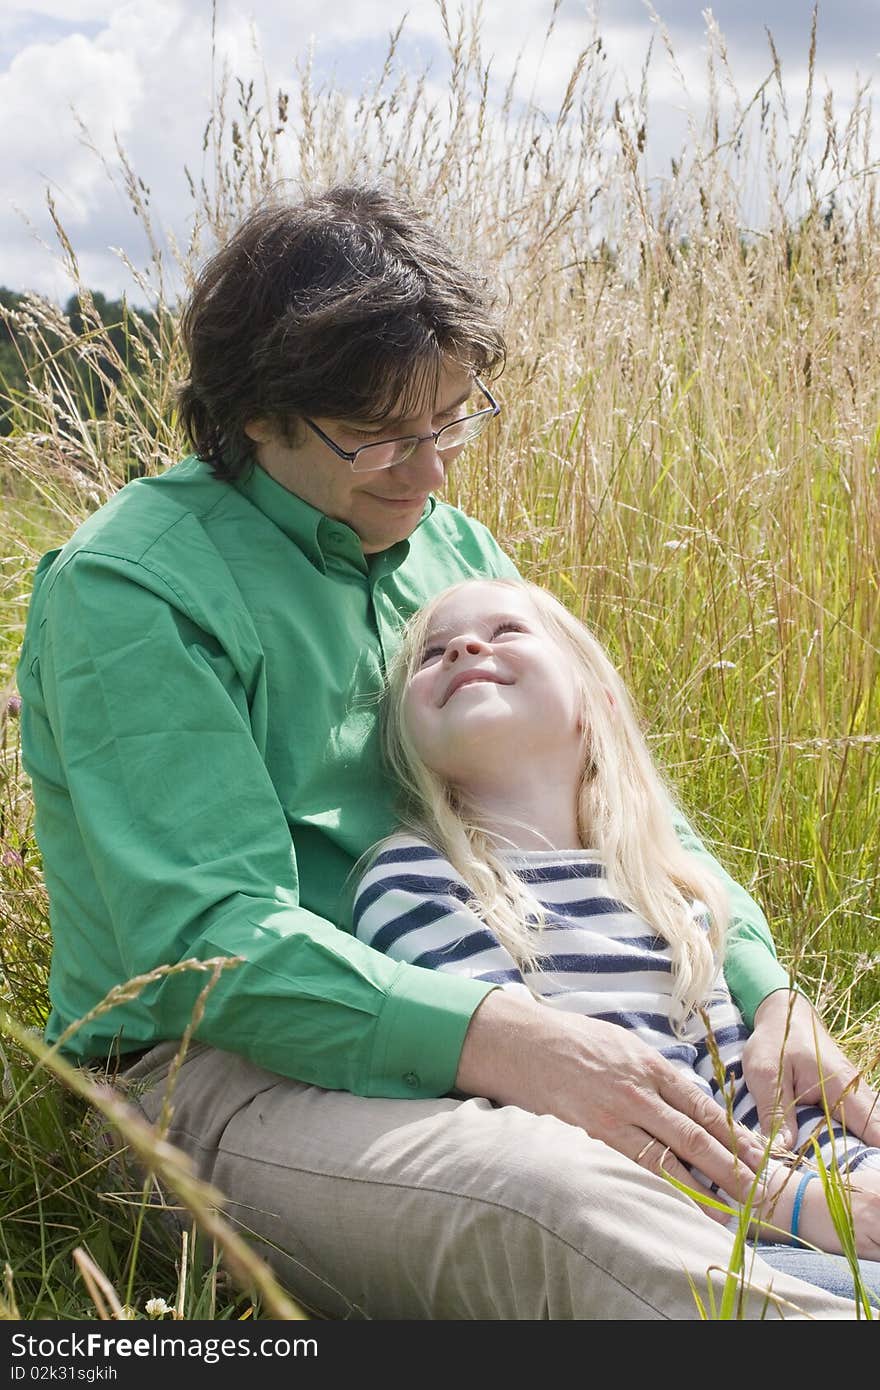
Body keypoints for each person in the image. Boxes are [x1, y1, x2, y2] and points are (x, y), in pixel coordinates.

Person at [16, 184, 879, 1319]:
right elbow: (207, 946)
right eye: (377, 436)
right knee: (555, 1200)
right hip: (228, 1074)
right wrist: (512, 1047)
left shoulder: (449, 545)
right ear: (253, 413)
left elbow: (608, 790)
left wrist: (769, 993)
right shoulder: (133, 587)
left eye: (454, 418)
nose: (430, 472)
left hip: (548, 1009)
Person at [353, 575, 880, 1268]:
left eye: (507, 631)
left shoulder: (662, 887)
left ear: (593, 702)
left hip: (798, 1196)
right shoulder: (419, 883)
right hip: (675, 1233)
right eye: (431, 653)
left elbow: (749, 1098)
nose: (465, 648)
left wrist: (855, 1180)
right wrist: (806, 1207)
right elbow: (551, 1114)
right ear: (408, 739)